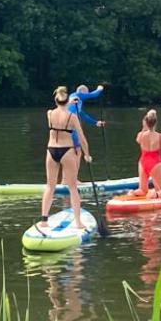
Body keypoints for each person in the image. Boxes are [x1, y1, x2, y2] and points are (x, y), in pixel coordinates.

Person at [39, 86, 92, 231]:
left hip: (51, 151)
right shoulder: (72, 117)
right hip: (67, 150)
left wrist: (67, 102)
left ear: (56, 100)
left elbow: (60, 107)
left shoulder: (49, 114)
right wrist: (87, 155)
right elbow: (82, 138)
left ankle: (44, 220)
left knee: (50, 187)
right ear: (67, 100)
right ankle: (78, 222)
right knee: (73, 187)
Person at [130, 109, 161, 198]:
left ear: (145, 122)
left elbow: (138, 140)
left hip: (142, 162)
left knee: (142, 190)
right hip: (155, 163)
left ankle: (133, 193)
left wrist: (144, 126)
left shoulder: (140, 135)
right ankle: (154, 194)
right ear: (156, 123)